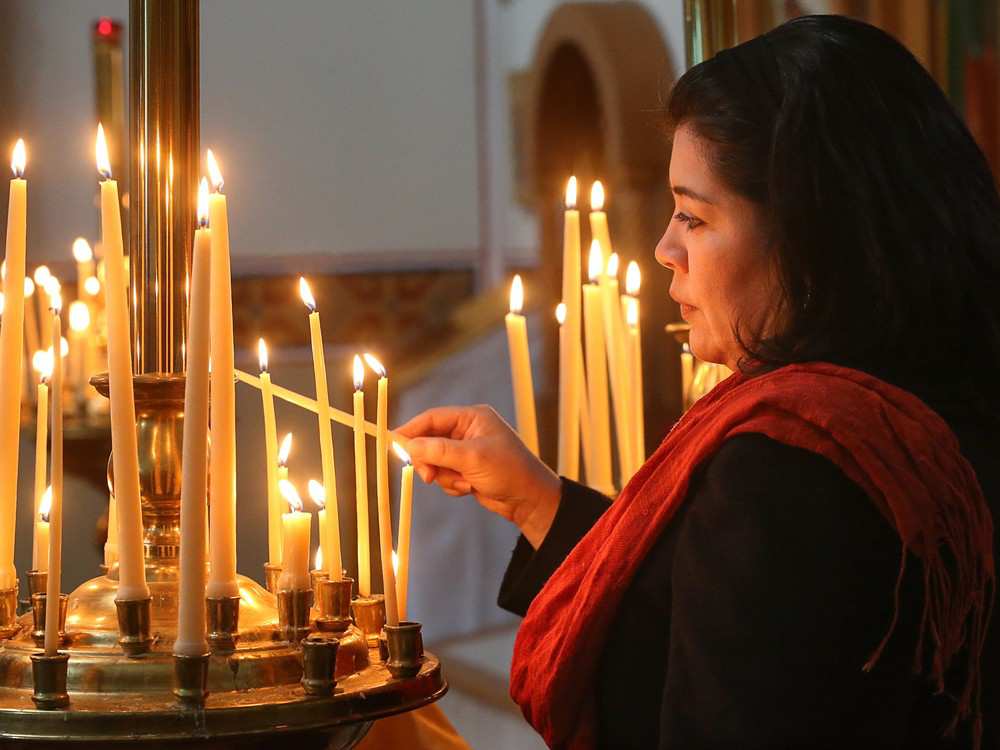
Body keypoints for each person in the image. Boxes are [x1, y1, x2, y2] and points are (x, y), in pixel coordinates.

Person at [397, 15, 999, 750]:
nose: (664, 248)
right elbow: (703, 629)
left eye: (693, 215)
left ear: (808, 232)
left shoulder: (796, 456)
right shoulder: (933, 391)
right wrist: (536, 500)